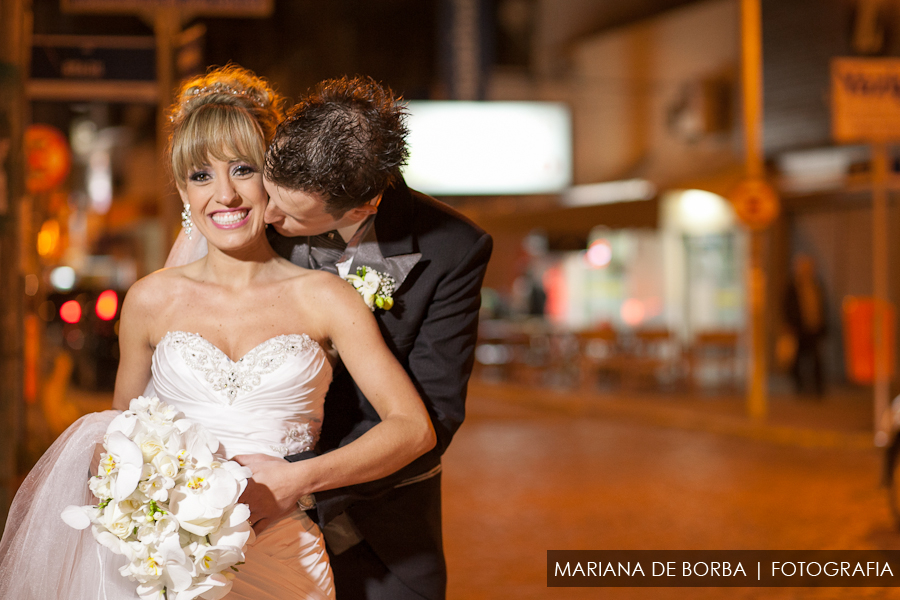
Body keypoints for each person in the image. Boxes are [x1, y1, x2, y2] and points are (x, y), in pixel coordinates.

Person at [0, 65, 436, 600]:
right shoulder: (150, 300)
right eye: (201, 176)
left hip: (285, 564)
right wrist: (155, 521)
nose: (224, 195)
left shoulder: (325, 297)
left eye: (243, 169)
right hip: (165, 567)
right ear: (183, 188)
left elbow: (414, 428)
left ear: (271, 177)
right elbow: (112, 444)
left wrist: (299, 480)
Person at [241, 75, 493, 600]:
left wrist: (298, 483)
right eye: (269, 194)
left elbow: (435, 417)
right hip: (244, 523)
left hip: (378, 532)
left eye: (290, 214)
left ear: (361, 209)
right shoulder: (250, 219)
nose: (266, 217)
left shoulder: (454, 248)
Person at [784, 253, 827, 397]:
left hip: (814, 328)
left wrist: (823, 326)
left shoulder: (816, 286)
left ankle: (818, 389)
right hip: (798, 330)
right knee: (797, 360)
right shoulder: (792, 287)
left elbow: (822, 307)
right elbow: (786, 307)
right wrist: (789, 325)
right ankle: (799, 387)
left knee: (816, 359)